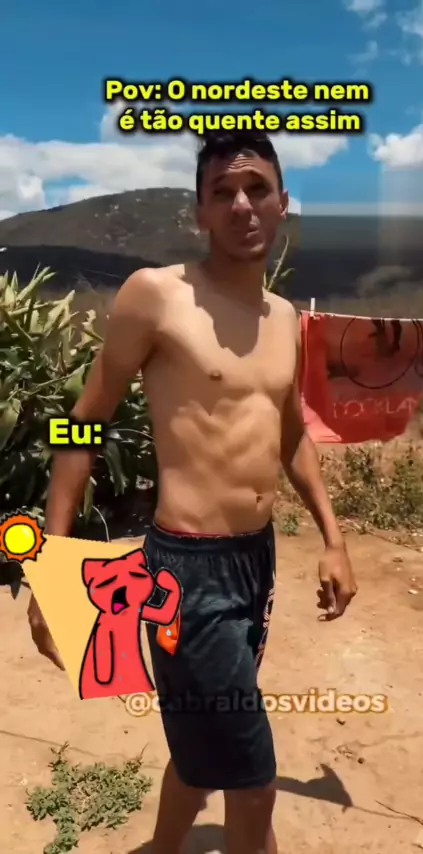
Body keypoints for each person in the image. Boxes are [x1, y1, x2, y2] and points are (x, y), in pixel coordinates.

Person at [28, 129, 357, 854]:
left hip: (254, 562)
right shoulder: (157, 296)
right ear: (199, 212)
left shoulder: (286, 319)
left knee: (204, 745)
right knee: (253, 781)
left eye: (257, 189)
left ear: (282, 204)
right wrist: (53, 563)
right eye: (222, 192)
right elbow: (83, 423)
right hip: (186, 575)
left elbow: (290, 432)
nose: (242, 204)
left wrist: (333, 538)